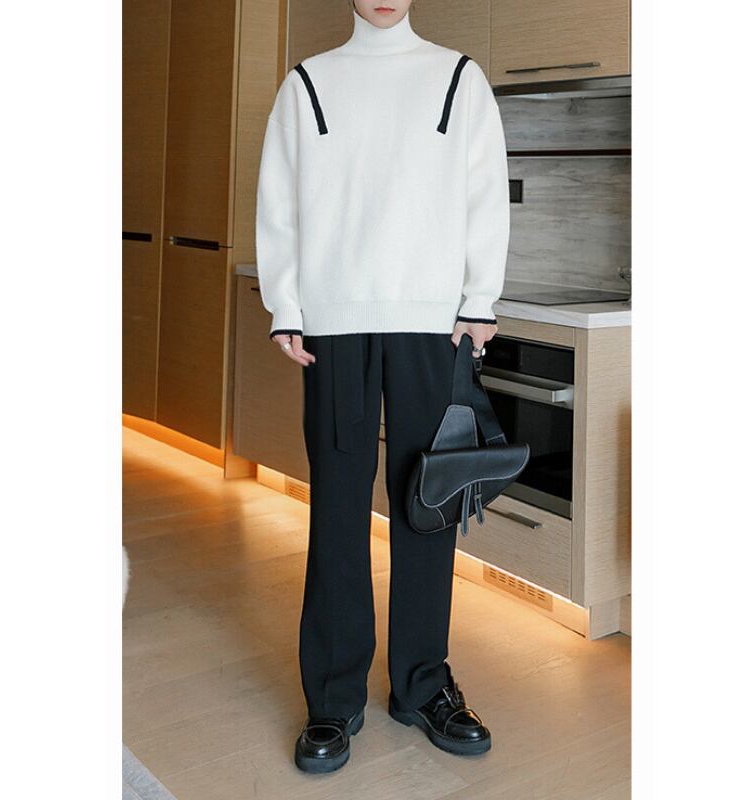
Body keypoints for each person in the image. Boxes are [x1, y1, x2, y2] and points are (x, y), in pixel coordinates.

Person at [255, 0, 510, 773]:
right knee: (337, 507)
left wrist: (479, 298)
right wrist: (286, 304)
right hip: (335, 324)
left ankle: (422, 685)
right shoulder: (308, 83)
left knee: (425, 510)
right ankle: (332, 700)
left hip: (432, 324)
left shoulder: (457, 79)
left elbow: (484, 193)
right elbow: (279, 203)